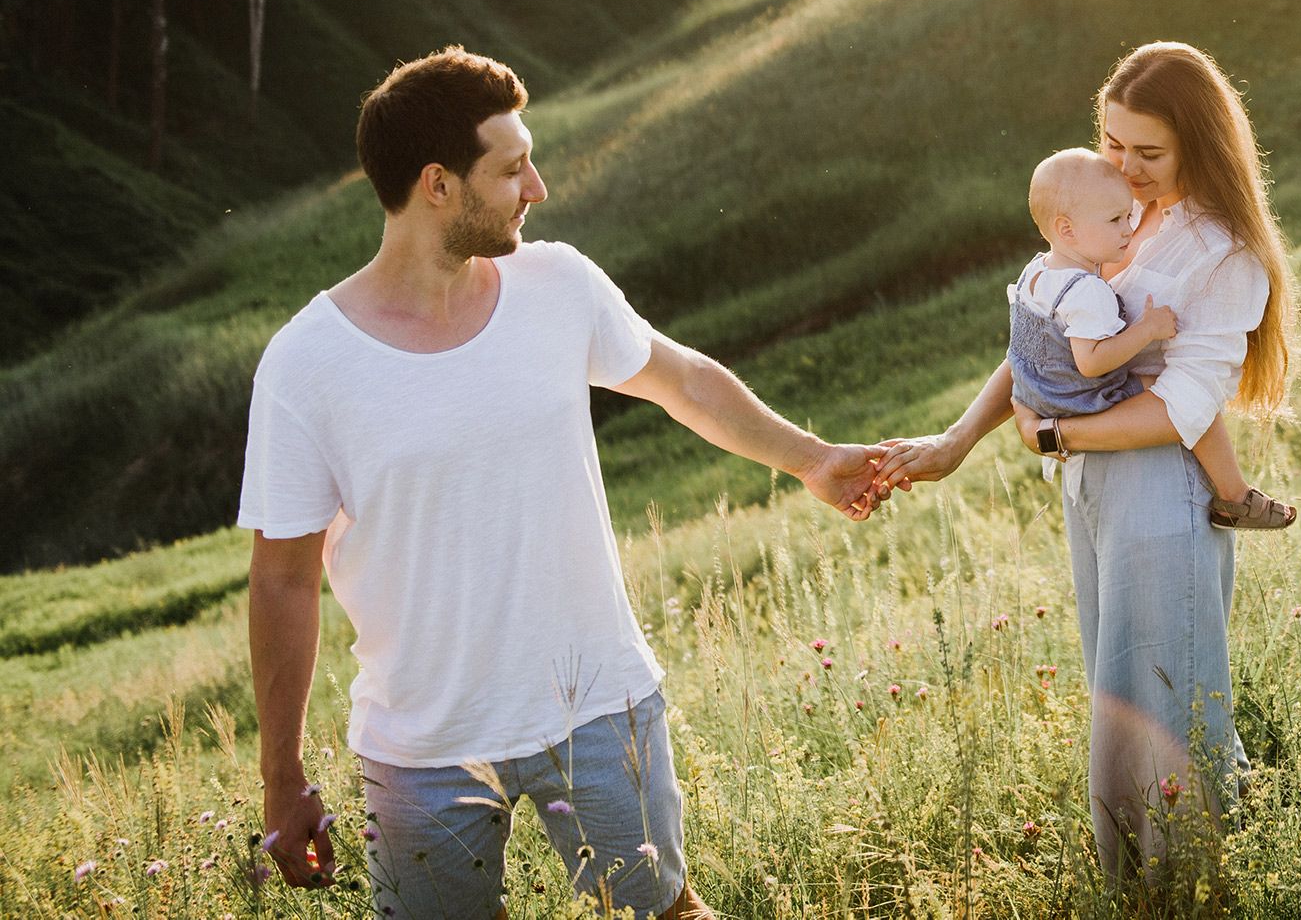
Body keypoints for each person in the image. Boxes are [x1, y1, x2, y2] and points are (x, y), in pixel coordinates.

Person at [240, 46, 888, 920]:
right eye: (511, 169)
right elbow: (283, 578)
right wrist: (282, 777)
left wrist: (810, 458)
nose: (537, 186)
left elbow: (683, 379)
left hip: (598, 706)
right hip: (421, 743)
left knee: (664, 911)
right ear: (437, 184)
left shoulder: (557, 284)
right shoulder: (306, 364)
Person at [877, 41, 1299, 882]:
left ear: (1199, 145)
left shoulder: (1222, 254)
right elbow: (1046, 344)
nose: (1125, 168)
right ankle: (1176, 874)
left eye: (1149, 152)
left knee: (1157, 699)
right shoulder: (1111, 216)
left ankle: (1180, 887)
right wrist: (955, 443)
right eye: (1113, 144)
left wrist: (1054, 436)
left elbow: (1181, 408)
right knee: (1130, 693)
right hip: (1095, 491)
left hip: (1157, 490)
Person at [1011, 147, 1294, 529]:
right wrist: (1147, 330)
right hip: (1077, 396)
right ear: (1067, 229)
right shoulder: (1086, 291)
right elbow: (1092, 362)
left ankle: (1235, 495)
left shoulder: (1037, 272)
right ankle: (1235, 495)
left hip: (1036, 394)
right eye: (1115, 220)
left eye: (1128, 216)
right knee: (1183, 396)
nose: (1128, 229)